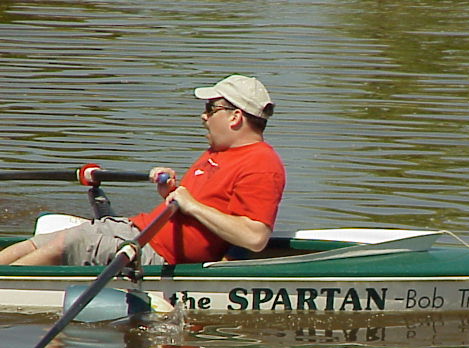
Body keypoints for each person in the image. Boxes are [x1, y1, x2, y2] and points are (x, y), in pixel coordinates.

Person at [0, 75, 286, 266]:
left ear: (235, 117)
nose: (203, 117)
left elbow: (254, 238)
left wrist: (191, 205)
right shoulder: (218, 152)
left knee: (65, 242)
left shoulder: (261, 165)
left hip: (153, 253)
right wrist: (170, 193)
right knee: (35, 243)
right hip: (138, 230)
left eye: (211, 109)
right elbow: (193, 206)